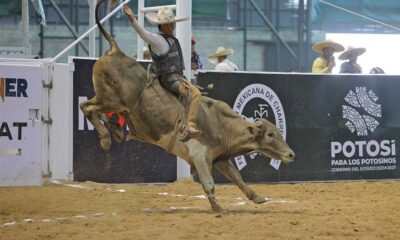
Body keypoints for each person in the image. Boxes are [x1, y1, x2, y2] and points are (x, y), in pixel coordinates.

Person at [123, 4, 201, 141]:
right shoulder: (157, 40)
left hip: (177, 78)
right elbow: (143, 34)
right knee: (194, 93)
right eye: (171, 24)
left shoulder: (169, 39)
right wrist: (132, 19)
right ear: (165, 25)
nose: (173, 26)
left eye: (173, 24)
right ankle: (188, 126)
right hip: (170, 80)